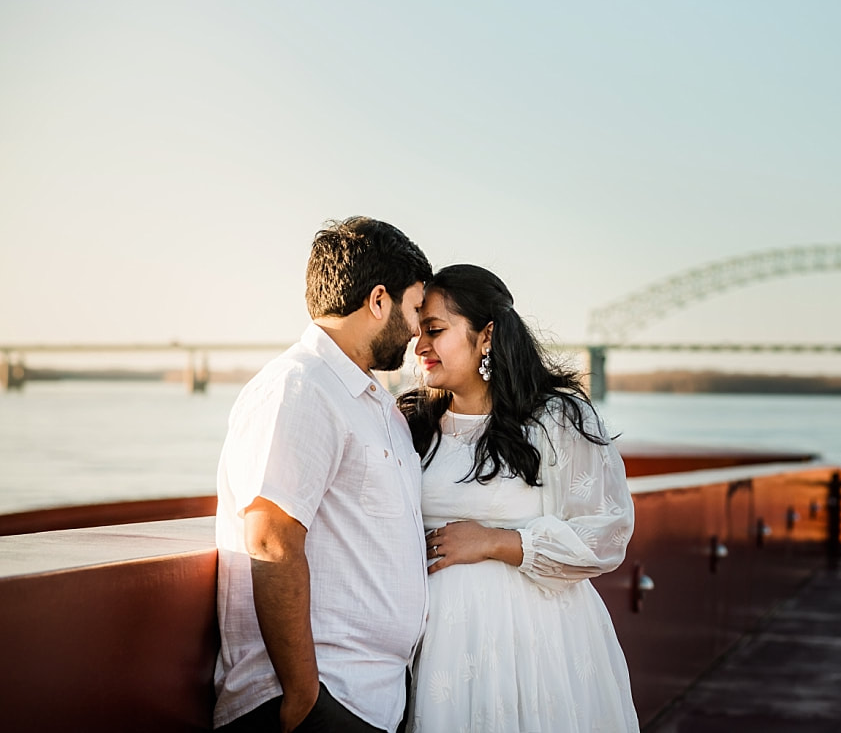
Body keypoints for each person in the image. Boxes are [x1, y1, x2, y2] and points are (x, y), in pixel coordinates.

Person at [397, 264, 640, 732]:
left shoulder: (557, 419)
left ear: (485, 336)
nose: (420, 345)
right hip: (436, 648)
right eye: (417, 331)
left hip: (535, 646)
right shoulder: (410, 422)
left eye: (436, 330)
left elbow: (607, 533)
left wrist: (493, 541)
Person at [213, 217, 432, 733]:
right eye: (416, 307)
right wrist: (304, 697)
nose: (420, 327)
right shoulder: (300, 387)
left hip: (371, 700)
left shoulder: (376, 406)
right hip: (319, 701)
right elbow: (270, 540)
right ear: (379, 300)